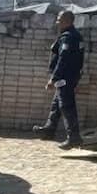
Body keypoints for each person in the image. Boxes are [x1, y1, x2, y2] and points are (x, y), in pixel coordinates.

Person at [33, 10, 84, 149]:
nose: (57, 22)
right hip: (70, 76)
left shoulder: (68, 37)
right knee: (57, 103)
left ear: (66, 21)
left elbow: (63, 59)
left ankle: (74, 137)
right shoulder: (75, 36)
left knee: (66, 106)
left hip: (65, 77)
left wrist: (54, 78)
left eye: (59, 19)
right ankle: (49, 129)